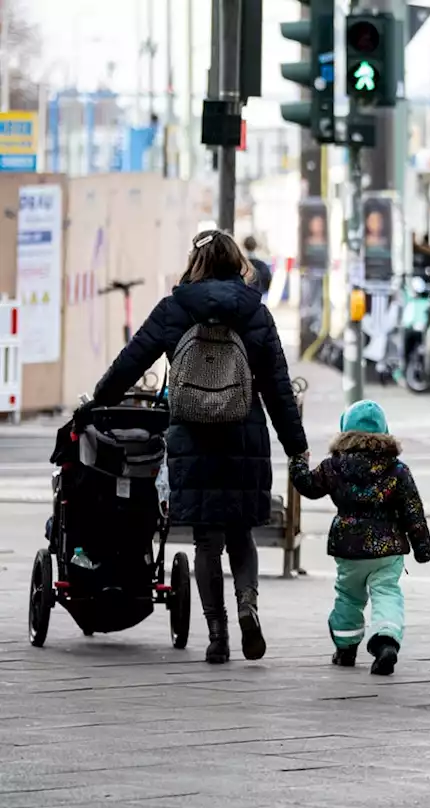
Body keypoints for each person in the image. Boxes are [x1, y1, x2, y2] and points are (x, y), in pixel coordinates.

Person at [91, 229, 308, 664]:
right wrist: (295, 446)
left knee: (207, 542)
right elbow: (278, 388)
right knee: (241, 532)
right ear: (236, 264)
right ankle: (248, 603)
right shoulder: (256, 313)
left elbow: (133, 358)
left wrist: (100, 399)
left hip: (193, 436)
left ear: (196, 264)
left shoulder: (175, 308)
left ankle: (217, 634)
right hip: (245, 435)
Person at [288, 400, 430, 676]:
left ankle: (345, 648)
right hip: (387, 548)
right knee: (387, 592)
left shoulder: (334, 466)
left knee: (348, 596)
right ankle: (386, 641)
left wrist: (298, 461)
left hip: (349, 547)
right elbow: (413, 510)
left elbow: (308, 486)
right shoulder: (397, 470)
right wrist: (422, 548)